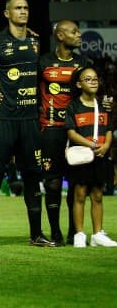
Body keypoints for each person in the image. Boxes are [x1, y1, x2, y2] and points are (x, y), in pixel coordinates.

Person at [0, 0, 54, 248]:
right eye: (18, 8)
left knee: (32, 176)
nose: (23, 11)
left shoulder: (36, 40)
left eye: (26, 7)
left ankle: (36, 234)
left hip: (29, 120)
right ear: (7, 13)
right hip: (2, 120)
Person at [37, 20, 93, 246]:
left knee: (76, 183)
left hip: (76, 133)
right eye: (74, 31)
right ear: (60, 36)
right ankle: (56, 233)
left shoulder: (83, 63)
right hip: (51, 130)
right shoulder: (44, 63)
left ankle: (74, 231)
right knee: (52, 183)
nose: (79, 35)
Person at [65, 66, 117, 248]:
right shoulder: (73, 106)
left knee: (98, 195)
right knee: (79, 195)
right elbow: (71, 133)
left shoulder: (103, 105)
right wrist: (91, 145)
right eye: (88, 79)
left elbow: (109, 129)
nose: (93, 81)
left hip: (100, 156)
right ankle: (79, 234)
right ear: (79, 84)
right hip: (82, 158)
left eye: (95, 78)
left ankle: (97, 234)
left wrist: (107, 145)